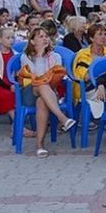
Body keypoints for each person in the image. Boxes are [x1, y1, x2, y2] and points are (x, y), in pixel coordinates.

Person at [18, 26, 77, 157]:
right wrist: (39, 54)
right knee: (42, 85)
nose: (45, 39)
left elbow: (54, 79)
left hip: (49, 92)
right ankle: (62, 117)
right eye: (40, 36)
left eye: (46, 36)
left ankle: (40, 145)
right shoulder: (25, 57)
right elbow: (34, 77)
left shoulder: (55, 56)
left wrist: (46, 61)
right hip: (30, 92)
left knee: (42, 102)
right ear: (32, 41)